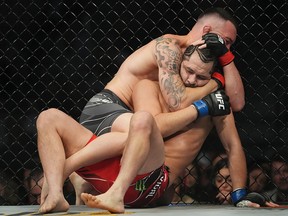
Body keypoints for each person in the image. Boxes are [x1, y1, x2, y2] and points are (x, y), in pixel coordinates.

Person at [37, 42, 224, 213]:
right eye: (188, 70)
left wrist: (241, 196)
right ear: (178, 65)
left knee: (142, 119)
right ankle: (56, 194)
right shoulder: (147, 87)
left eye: (201, 77)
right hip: (114, 167)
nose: (191, 80)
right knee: (48, 117)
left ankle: (114, 194)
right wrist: (200, 108)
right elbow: (156, 126)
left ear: (211, 76)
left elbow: (233, 144)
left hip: (149, 180)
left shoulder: (217, 102)